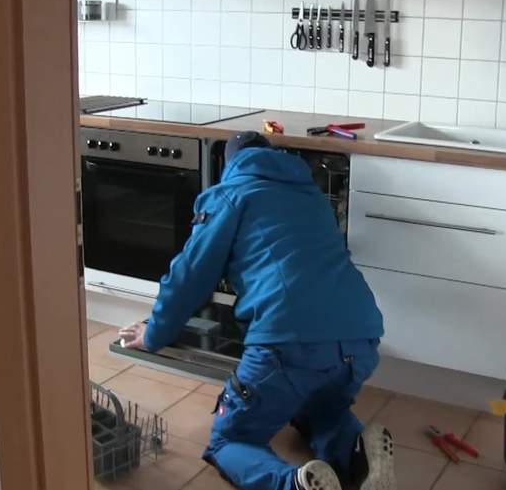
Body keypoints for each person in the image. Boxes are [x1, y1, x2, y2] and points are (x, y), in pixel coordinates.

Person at [119, 131, 394, 490]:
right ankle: (360, 454)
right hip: (361, 336)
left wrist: (154, 333)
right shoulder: (311, 195)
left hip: (288, 341)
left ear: (230, 164)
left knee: (228, 440)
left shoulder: (230, 194)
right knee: (322, 409)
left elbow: (189, 275)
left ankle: (293, 485)